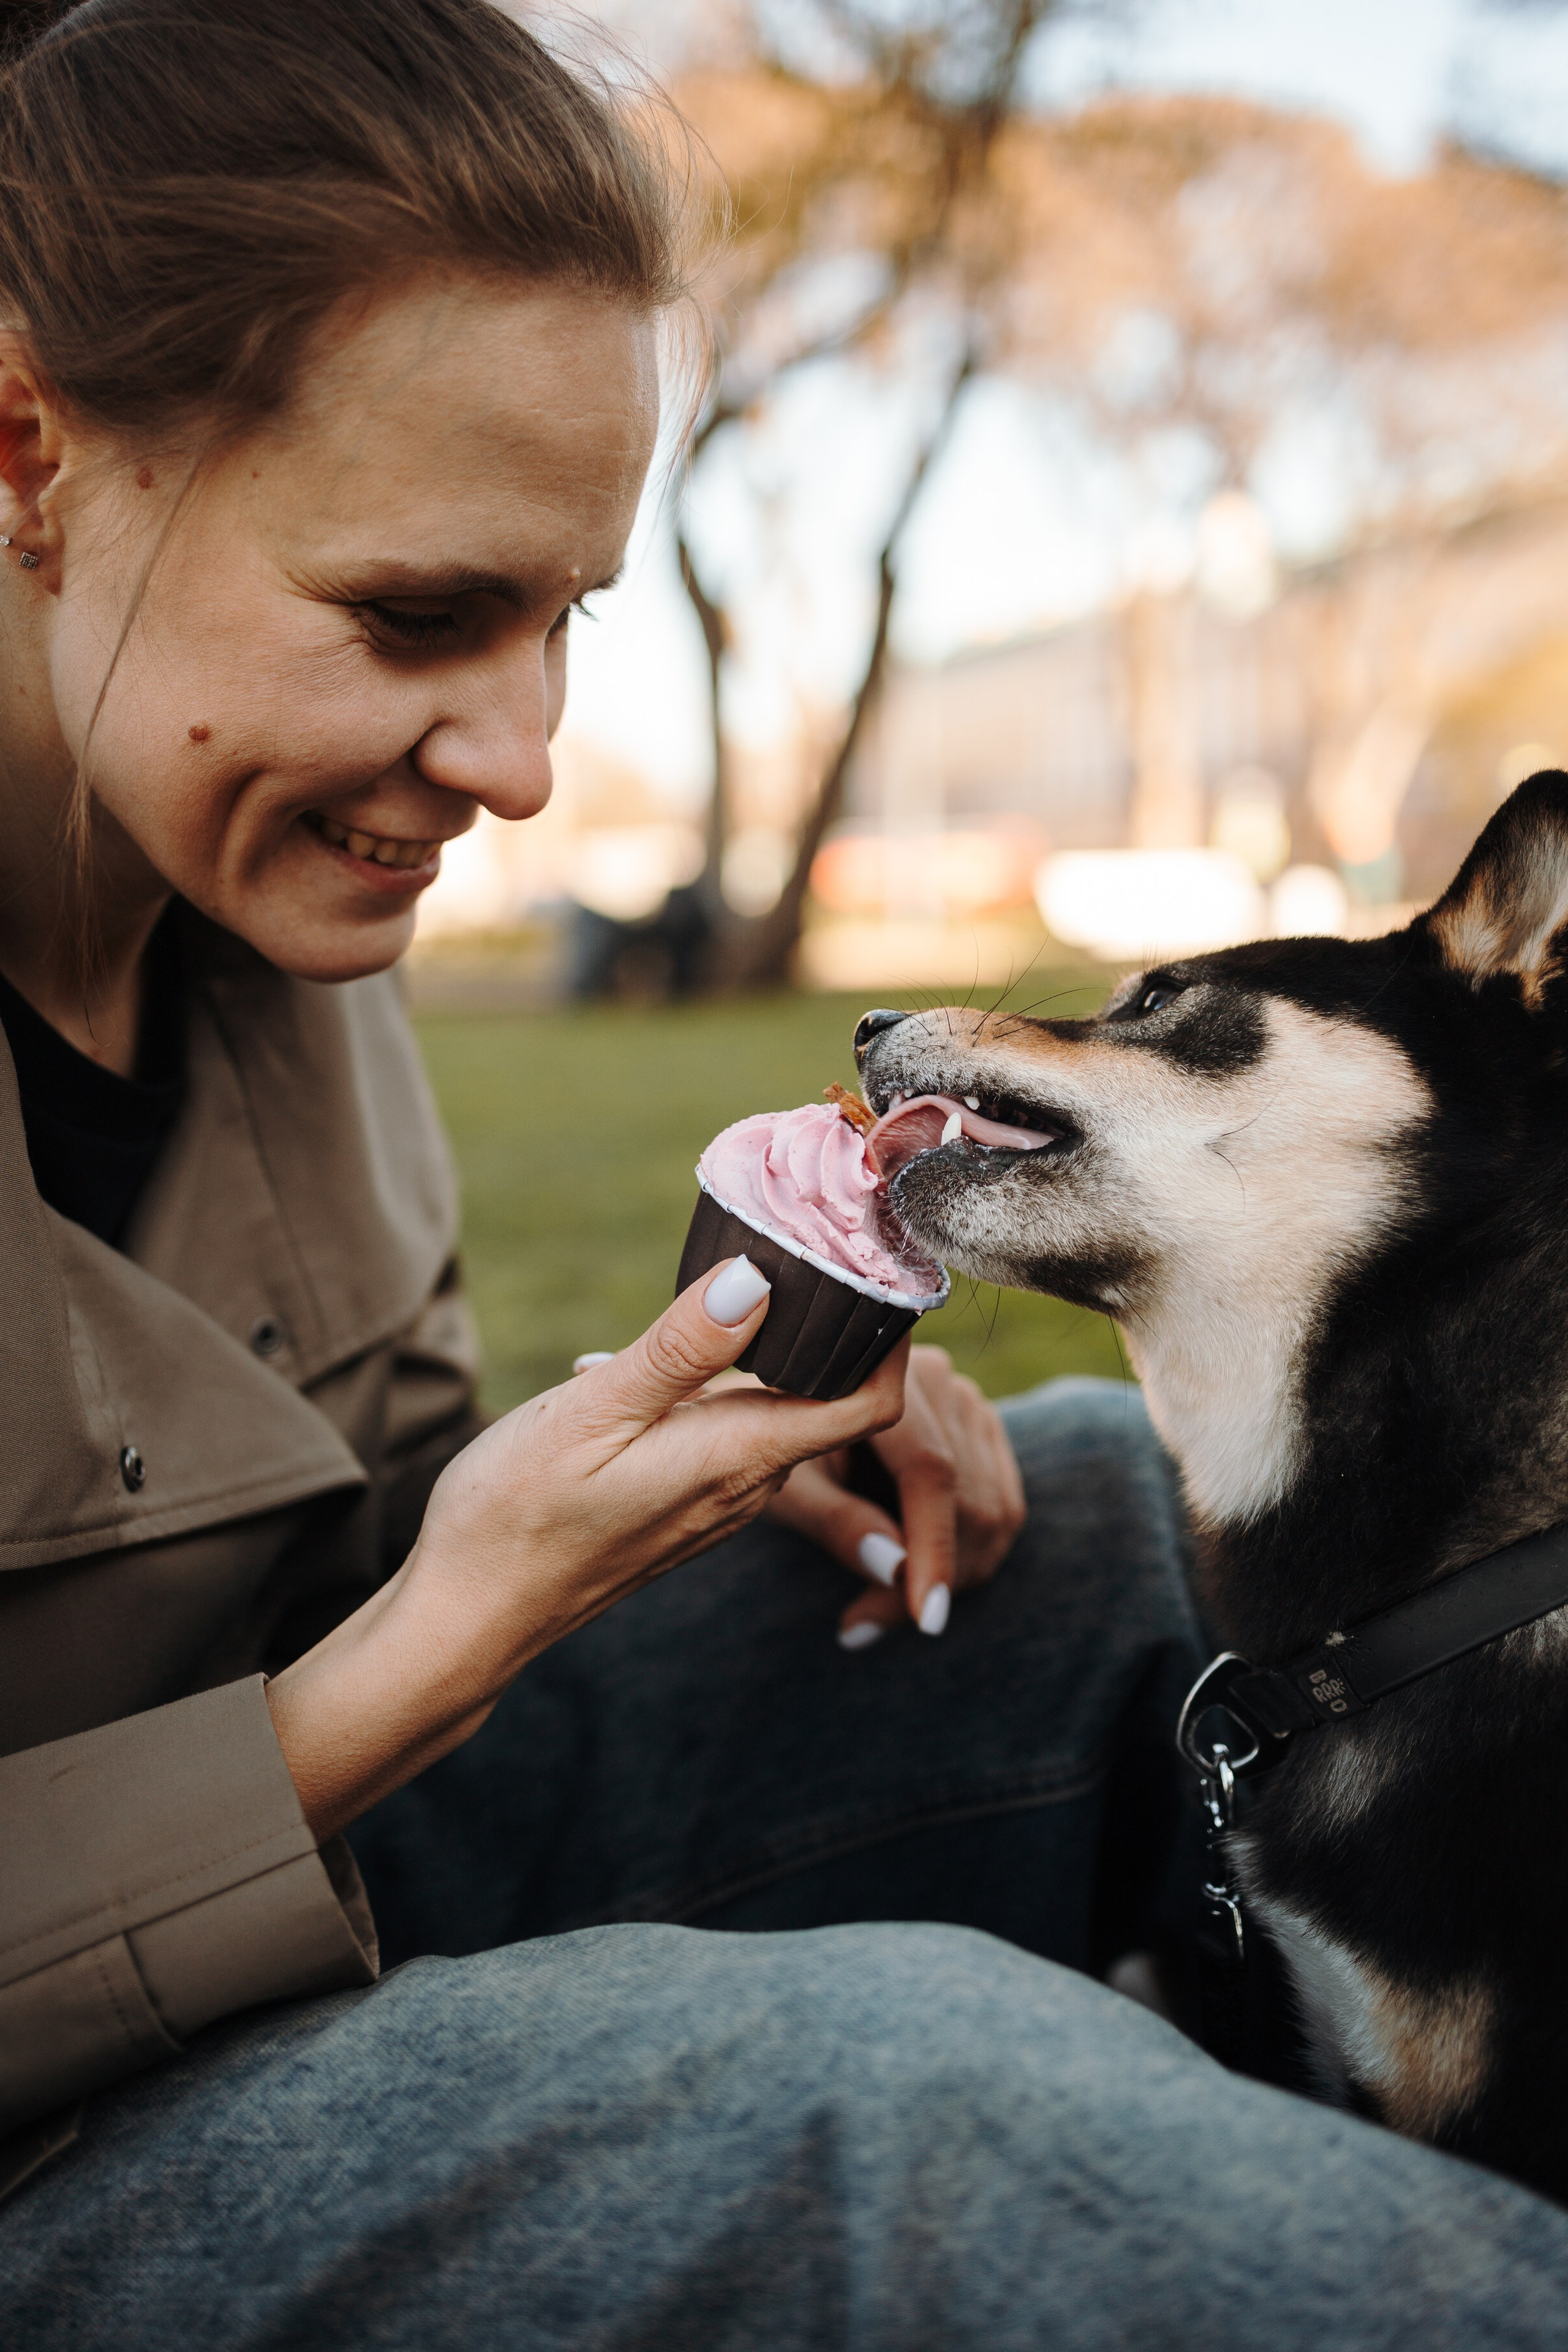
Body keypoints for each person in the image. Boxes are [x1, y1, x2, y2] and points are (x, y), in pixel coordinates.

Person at [1, 2, 1566, 2343]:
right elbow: (380, 1638)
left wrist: (646, 1471)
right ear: (31, 454)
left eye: (565, 618)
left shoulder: (256, 897)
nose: (524, 762)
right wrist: (428, 1651)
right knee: (917, 2099)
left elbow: (344, 1507)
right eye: (419, 613)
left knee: (1114, 1521)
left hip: (351, 1860)